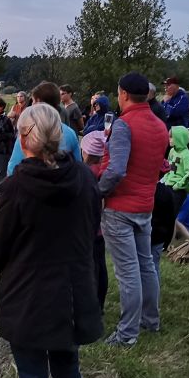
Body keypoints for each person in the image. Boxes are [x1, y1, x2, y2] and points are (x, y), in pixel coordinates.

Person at [0, 104, 103, 378]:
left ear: (24, 138)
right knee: (68, 371)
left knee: (33, 377)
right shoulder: (84, 177)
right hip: (71, 294)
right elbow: (92, 228)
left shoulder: (16, 188)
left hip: (29, 295)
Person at [99, 72, 170, 347]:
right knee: (146, 265)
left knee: (127, 271)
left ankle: (127, 334)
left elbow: (116, 169)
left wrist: (98, 191)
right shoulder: (159, 125)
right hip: (145, 204)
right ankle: (150, 320)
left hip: (120, 206)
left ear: (124, 94)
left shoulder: (124, 125)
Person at [6, 82, 82, 176]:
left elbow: (13, 167)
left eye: (33, 101)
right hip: (63, 181)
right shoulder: (70, 133)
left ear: (38, 102)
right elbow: (78, 166)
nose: (32, 104)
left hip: (31, 180)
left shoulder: (28, 131)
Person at [81, 130, 108, 311]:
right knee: (100, 264)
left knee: (89, 267)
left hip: (87, 226)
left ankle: (90, 305)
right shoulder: (104, 170)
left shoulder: (85, 173)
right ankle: (100, 303)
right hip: (102, 227)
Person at [163, 126, 189, 214]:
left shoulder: (186, 155)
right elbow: (169, 168)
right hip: (168, 185)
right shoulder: (172, 151)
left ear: (179, 138)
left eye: (171, 137)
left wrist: (179, 185)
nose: (169, 139)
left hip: (178, 190)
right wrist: (165, 179)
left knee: (174, 213)